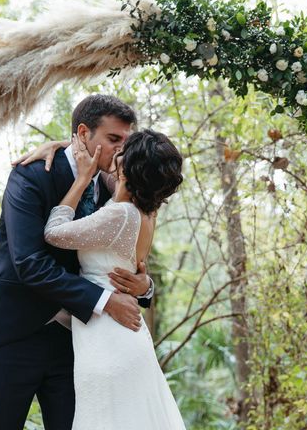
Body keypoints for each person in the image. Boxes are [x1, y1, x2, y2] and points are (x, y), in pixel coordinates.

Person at [0, 94, 155, 430]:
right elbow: (29, 262)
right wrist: (105, 301)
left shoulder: (117, 186)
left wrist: (145, 287)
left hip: (80, 343)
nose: (120, 150)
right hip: (12, 334)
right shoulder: (31, 175)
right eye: (113, 139)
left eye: (125, 142)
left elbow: (129, 252)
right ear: (83, 133)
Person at [43, 128, 186, 430]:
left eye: (122, 148)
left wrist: (81, 180)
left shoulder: (118, 215)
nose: (116, 150)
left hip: (106, 336)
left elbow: (53, 233)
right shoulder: (145, 213)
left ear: (127, 166)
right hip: (125, 334)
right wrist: (64, 145)